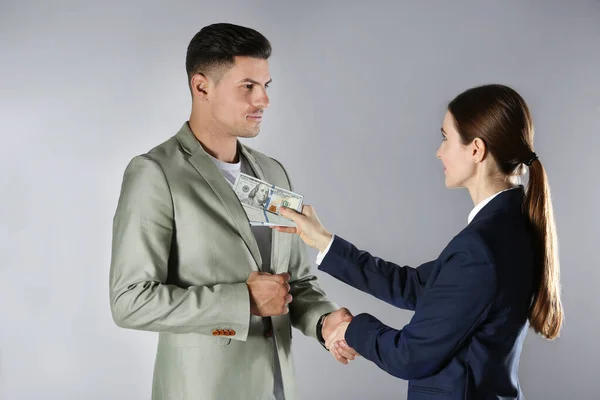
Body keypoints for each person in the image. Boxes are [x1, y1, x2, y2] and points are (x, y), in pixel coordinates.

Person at [109, 23, 356, 400]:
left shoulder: (274, 172)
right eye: (248, 87)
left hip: (278, 387)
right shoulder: (155, 173)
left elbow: (297, 283)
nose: (264, 101)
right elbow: (130, 301)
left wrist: (325, 321)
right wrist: (243, 301)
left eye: (265, 86)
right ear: (202, 86)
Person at [277, 84, 563, 399]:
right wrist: (323, 241)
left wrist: (350, 329)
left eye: (445, 138)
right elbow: (416, 286)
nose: (439, 151)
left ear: (476, 150)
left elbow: (410, 355)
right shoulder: (509, 228)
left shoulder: (481, 248)